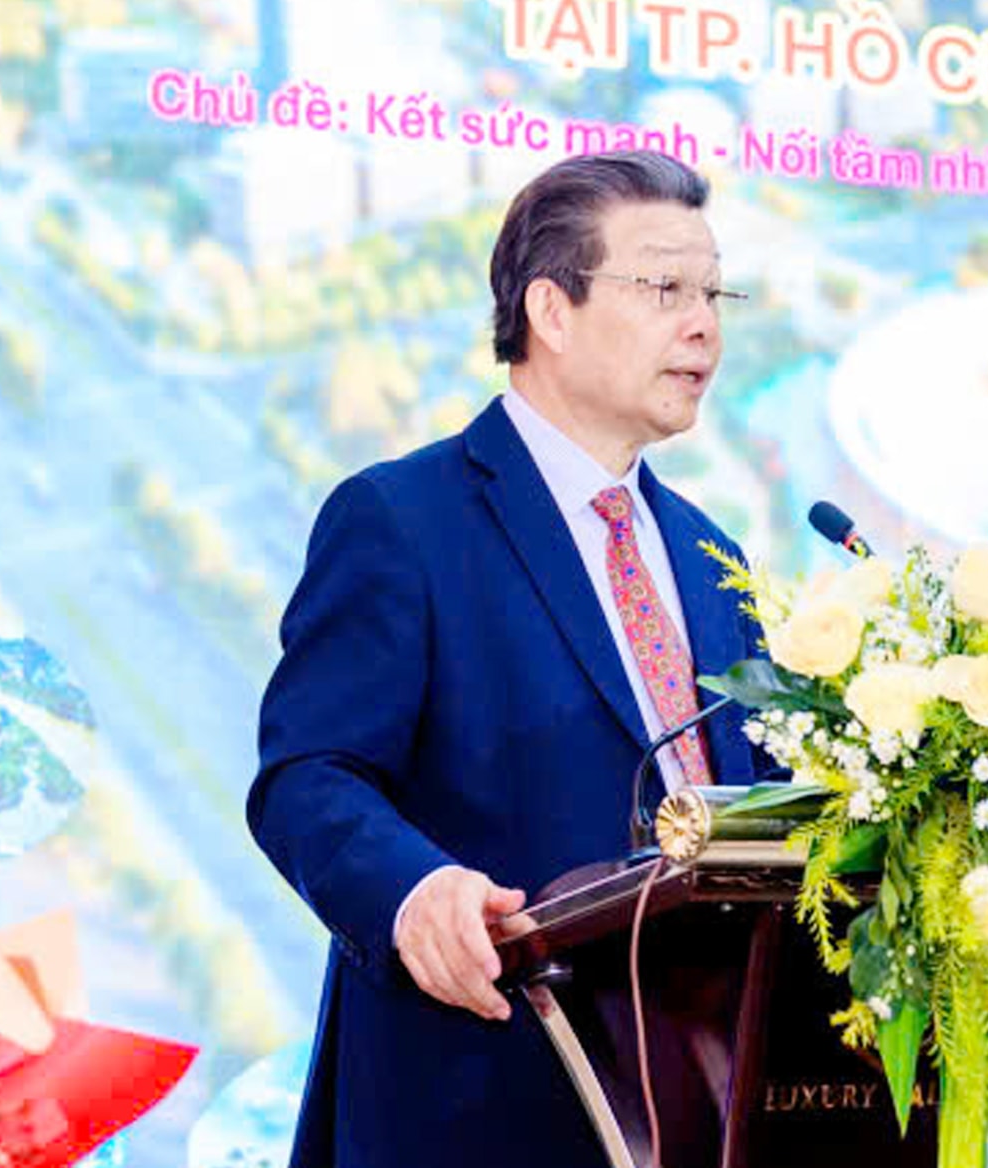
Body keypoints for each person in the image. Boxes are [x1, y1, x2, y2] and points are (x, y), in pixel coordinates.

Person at [247, 150, 779, 1168]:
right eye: (665, 287)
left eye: (713, 294)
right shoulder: (404, 520)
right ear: (551, 309)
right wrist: (414, 892)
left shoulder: (711, 557)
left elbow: (753, 807)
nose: (704, 326)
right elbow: (307, 777)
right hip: (478, 1097)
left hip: (689, 1109)